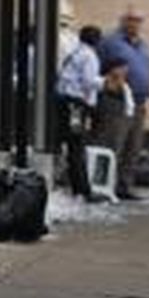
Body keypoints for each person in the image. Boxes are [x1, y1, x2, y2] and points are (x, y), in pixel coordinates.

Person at [97, 8, 149, 199]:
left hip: (139, 101)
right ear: (123, 21)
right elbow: (100, 66)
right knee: (115, 143)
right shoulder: (111, 42)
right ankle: (106, 186)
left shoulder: (143, 45)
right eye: (131, 20)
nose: (135, 24)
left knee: (133, 146)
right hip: (118, 101)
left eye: (138, 20)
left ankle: (125, 185)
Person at [56, 25, 105, 200]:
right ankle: (82, 189)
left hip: (65, 101)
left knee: (71, 144)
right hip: (76, 104)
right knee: (76, 145)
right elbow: (89, 81)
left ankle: (76, 185)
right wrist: (106, 82)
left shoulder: (75, 52)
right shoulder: (89, 56)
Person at [93, 54, 136, 181]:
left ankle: (111, 182)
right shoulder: (100, 83)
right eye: (122, 68)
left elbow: (129, 108)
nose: (124, 71)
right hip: (105, 123)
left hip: (120, 123)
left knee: (116, 154)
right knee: (102, 153)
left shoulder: (125, 87)